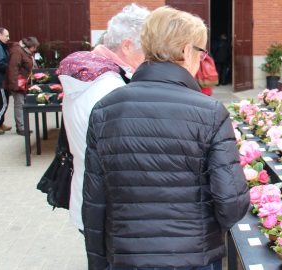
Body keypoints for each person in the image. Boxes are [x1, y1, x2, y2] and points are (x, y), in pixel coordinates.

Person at [81, 6, 249, 269]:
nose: (201, 59)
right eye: (201, 52)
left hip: (127, 256)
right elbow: (231, 205)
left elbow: (94, 201)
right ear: (185, 52)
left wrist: (97, 262)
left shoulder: (105, 109)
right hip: (194, 256)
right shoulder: (210, 112)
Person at [56, 3, 150, 234]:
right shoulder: (111, 88)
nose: (152, 58)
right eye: (148, 49)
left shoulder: (90, 75)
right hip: (110, 208)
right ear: (127, 46)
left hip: (88, 197)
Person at [5, 37, 39, 135]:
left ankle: (23, 126)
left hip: (24, 82)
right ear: (28, 46)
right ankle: (21, 128)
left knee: (21, 104)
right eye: (34, 47)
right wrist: (13, 84)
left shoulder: (25, 51)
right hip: (18, 83)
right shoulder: (17, 51)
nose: (35, 50)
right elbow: (13, 68)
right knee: (19, 104)